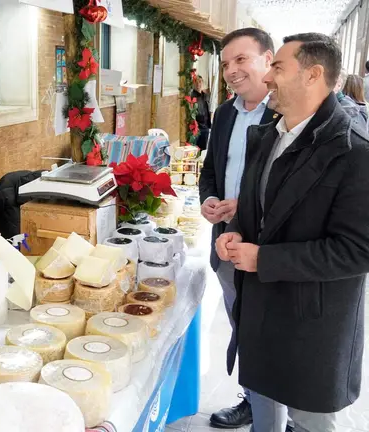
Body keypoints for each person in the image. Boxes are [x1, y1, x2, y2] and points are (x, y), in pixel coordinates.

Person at [217, 32, 369, 432]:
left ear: (313, 75)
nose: (267, 77)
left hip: (313, 323)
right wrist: (236, 231)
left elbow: (357, 251)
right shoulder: (270, 134)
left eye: (278, 68)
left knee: (309, 421)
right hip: (263, 307)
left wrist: (264, 259)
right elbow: (257, 206)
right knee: (265, 405)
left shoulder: (354, 151)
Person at [198, 27, 278, 429]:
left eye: (241, 59)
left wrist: (244, 206)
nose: (231, 70)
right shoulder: (226, 113)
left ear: (268, 59)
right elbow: (211, 169)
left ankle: (280, 409)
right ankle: (254, 399)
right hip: (226, 245)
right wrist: (209, 199)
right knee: (241, 325)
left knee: (272, 334)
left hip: (271, 248)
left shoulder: (287, 113)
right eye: (226, 63)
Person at [192, 75, 212, 151]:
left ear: (202, 83)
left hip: (205, 127)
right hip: (197, 128)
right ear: (193, 83)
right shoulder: (192, 96)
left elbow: (208, 110)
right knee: (195, 150)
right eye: (196, 82)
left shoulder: (206, 96)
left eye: (200, 82)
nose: (198, 84)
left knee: (203, 150)